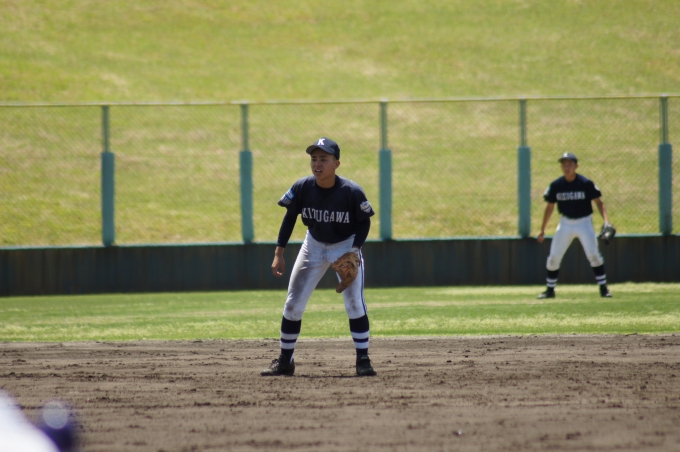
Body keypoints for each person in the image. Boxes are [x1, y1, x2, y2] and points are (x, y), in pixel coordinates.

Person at [261, 137, 377, 377]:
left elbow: (364, 222)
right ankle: (285, 360)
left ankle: (363, 360)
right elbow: (289, 218)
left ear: (336, 164)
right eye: (314, 159)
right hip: (312, 246)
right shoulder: (302, 187)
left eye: (323, 159)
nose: (317, 163)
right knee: (293, 304)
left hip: (344, 246)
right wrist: (278, 253)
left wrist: (354, 250)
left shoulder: (351, 191)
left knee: (354, 303)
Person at [537, 152, 613, 299]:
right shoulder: (556, 185)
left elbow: (599, 203)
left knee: (593, 255)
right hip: (565, 223)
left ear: (576, 166)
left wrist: (606, 221)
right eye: (564, 164)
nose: (567, 167)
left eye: (570, 164)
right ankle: (550, 290)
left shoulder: (585, 183)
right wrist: (542, 229)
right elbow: (550, 207)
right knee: (553, 257)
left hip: (584, 222)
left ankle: (604, 289)